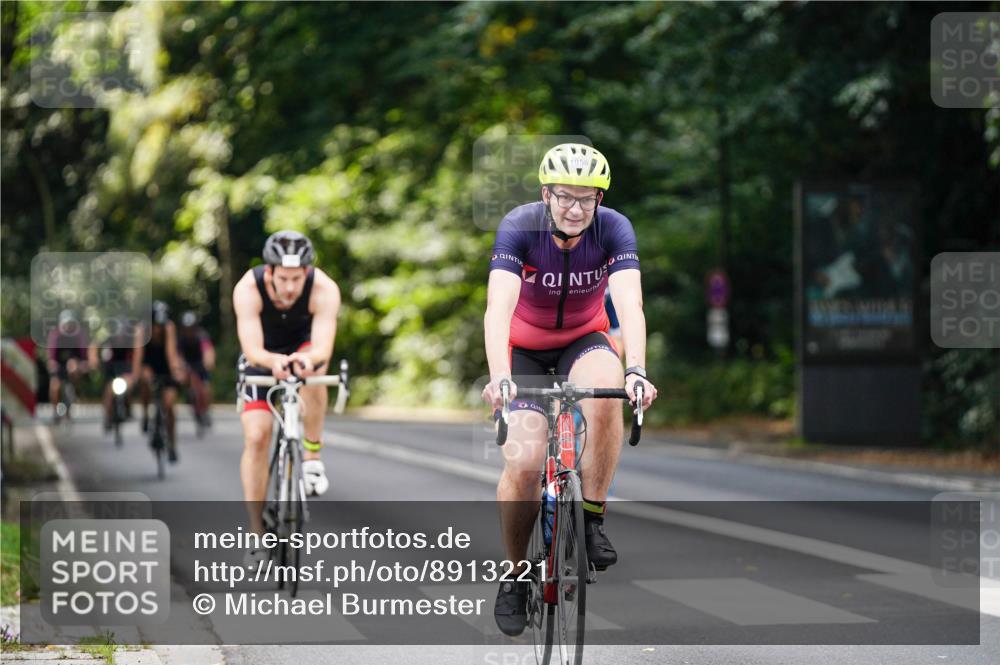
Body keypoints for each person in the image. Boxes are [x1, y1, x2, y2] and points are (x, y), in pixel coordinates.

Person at [481, 143, 658, 636]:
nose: (576, 208)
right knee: (524, 461)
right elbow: (498, 310)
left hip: (584, 340)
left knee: (608, 392)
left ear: (600, 199)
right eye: (565, 197)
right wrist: (500, 376)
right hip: (525, 350)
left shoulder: (613, 228)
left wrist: (637, 370)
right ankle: (516, 574)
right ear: (546, 194)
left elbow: (631, 302)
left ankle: (592, 518)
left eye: (587, 198)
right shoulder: (520, 226)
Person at [232, 230, 341, 565]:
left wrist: (306, 360)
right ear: (270, 272)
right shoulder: (247, 289)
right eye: (284, 278)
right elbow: (252, 348)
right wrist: (272, 361)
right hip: (262, 357)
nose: (291, 287)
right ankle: (256, 534)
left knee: (312, 372)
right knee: (257, 436)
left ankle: (311, 457)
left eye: (298, 278)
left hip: (302, 349)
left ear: (307, 273)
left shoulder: (324, 288)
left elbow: (323, 347)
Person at [132, 301, 185, 462]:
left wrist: (176, 372)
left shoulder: (169, 328)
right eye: (155, 326)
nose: (157, 330)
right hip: (148, 363)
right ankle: (146, 414)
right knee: (145, 380)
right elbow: (138, 356)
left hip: (165, 365)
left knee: (169, 405)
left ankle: (172, 445)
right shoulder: (141, 330)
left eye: (160, 326)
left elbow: (171, 353)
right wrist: (136, 376)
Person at [88, 317, 136, 433]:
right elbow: (94, 346)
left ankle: (128, 408)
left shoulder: (131, 341)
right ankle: (108, 416)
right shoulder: (109, 338)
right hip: (111, 370)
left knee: (128, 387)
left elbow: (137, 357)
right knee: (108, 392)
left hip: (125, 369)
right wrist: (94, 360)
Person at [46, 309, 90, 422]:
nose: (68, 327)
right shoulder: (56, 335)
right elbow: (52, 354)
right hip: (59, 365)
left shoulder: (78, 335)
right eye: (66, 324)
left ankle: (74, 391)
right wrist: (52, 363)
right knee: (55, 386)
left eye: (70, 324)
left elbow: (83, 353)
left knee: (73, 365)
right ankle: (55, 411)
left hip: (73, 365)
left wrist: (84, 363)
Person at [177, 311, 216, 430]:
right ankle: (191, 399)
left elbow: (208, 350)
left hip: (200, 363)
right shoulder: (180, 338)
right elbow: (176, 354)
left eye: (191, 328)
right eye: (186, 328)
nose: (189, 331)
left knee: (206, 388)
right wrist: (179, 367)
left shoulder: (201, 336)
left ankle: (206, 409)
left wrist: (209, 361)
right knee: (187, 381)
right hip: (187, 364)